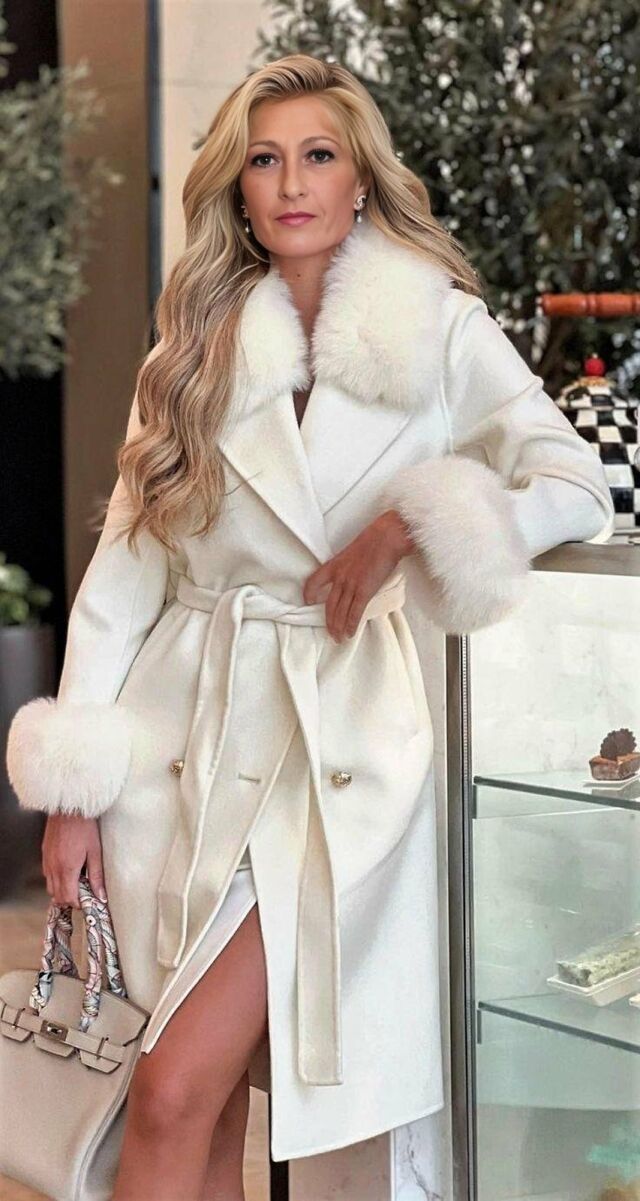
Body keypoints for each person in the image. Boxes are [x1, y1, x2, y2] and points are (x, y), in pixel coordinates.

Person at [6, 52, 614, 1201]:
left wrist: (407, 524)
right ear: (236, 188)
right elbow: (123, 577)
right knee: (198, 1103)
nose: (291, 183)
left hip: (340, 756)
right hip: (177, 751)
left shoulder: (438, 330)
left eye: (318, 155)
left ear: (360, 180)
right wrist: (72, 790)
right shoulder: (190, 349)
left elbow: (574, 484)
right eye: (265, 159)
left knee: (174, 1088)